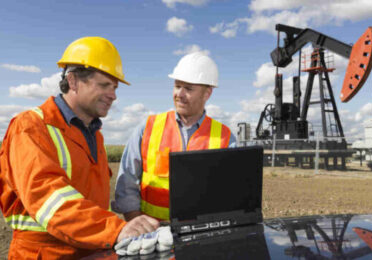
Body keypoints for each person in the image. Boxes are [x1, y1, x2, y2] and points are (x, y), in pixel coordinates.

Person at [0, 36, 159, 259]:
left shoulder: (95, 136)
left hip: (93, 252)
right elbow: (48, 198)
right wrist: (116, 229)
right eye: (104, 85)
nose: (113, 95)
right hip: (45, 254)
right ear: (73, 81)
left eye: (114, 87)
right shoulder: (31, 126)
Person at [113, 52, 236, 221]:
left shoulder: (225, 137)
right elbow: (127, 180)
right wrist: (137, 224)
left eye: (189, 89)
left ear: (207, 94)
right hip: (152, 234)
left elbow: (232, 192)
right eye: (177, 86)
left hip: (202, 235)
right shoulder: (148, 127)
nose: (180, 94)